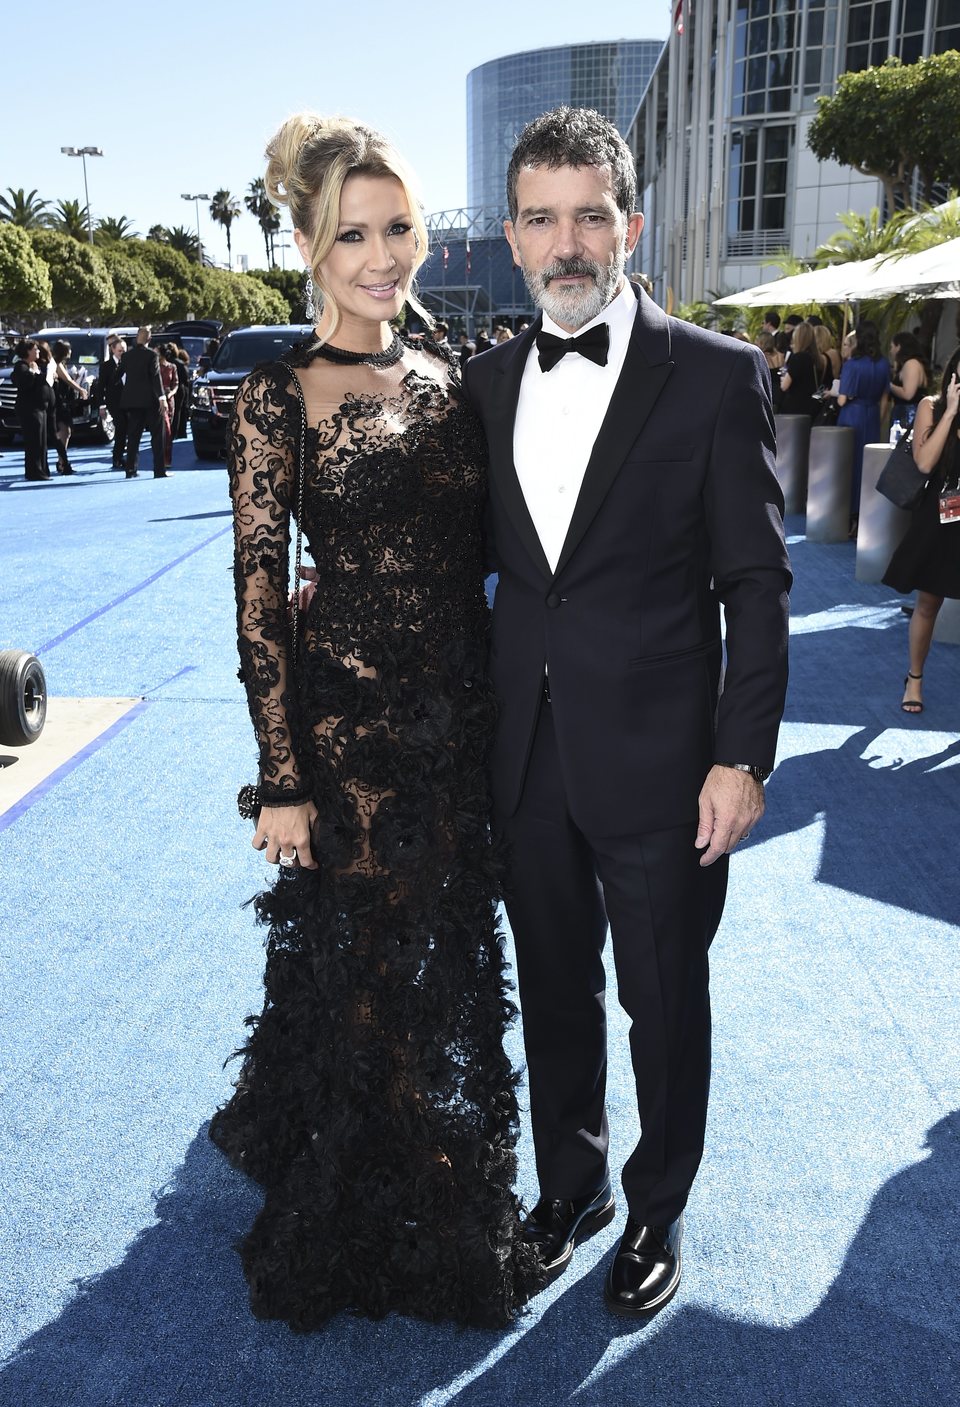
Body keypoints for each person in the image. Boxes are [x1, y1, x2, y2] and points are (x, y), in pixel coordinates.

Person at [208, 111, 545, 1331]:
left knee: (446, 946)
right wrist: (282, 782)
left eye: (399, 227)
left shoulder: (454, 372)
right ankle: (371, 1171)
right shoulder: (278, 393)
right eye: (353, 233)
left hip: (459, 715)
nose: (383, 254)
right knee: (366, 957)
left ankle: (390, 1125)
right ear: (307, 243)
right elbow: (257, 600)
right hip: (347, 725)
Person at [462, 106, 791, 1317]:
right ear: (510, 236)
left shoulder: (714, 373)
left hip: (664, 762)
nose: (568, 242)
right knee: (552, 987)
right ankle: (575, 1186)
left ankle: (657, 1210)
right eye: (542, 218)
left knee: (664, 999)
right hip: (526, 753)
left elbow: (757, 586)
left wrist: (740, 758)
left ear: (630, 223)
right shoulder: (485, 383)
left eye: (590, 214)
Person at [882, 348, 960, 713]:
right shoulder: (932, 405)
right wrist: (952, 412)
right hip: (941, 516)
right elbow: (926, 461)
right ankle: (915, 678)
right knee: (928, 602)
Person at [836, 320, 891, 532]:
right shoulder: (884, 363)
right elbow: (885, 398)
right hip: (872, 417)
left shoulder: (852, 364)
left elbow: (842, 400)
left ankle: (848, 517)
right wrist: (879, 418)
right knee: (869, 468)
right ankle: (865, 518)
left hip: (852, 415)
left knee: (848, 466)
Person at [119, 326, 168, 478]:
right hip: (151, 402)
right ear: (149, 339)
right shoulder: (151, 355)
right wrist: (162, 398)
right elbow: (155, 377)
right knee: (157, 437)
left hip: (133, 402)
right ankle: (159, 470)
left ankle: (130, 469)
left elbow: (117, 376)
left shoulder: (127, 356)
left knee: (133, 437)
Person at [11, 339, 50, 480]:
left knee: (42, 440)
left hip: (40, 407)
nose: (38, 351)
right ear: (28, 351)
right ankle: (34, 471)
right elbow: (24, 383)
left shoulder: (35, 365)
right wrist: (33, 372)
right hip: (29, 409)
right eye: (35, 349)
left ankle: (43, 469)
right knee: (34, 441)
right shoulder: (21, 366)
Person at [51, 339, 89, 475]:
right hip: (58, 402)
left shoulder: (60, 364)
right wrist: (81, 390)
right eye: (69, 349)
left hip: (62, 401)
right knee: (65, 431)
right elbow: (67, 379)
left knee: (65, 432)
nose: (71, 352)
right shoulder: (55, 363)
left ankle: (62, 460)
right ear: (64, 352)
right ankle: (62, 461)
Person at [778, 321, 825, 418]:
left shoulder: (798, 358)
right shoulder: (818, 358)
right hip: (812, 406)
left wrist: (783, 379)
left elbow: (784, 386)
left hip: (795, 408)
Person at [887, 330, 929, 432]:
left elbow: (908, 394)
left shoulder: (911, 364)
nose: (890, 351)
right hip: (904, 413)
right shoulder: (906, 364)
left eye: (892, 347)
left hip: (908, 414)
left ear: (899, 347)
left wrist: (889, 385)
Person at [98, 335, 128, 469]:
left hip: (129, 400)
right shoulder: (106, 366)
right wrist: (102, 405)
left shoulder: (129, 363)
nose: (122, 353)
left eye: (124, 351)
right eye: (120, 351)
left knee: (126, 429)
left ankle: (121, 455)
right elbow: (101, 387)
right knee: (121, 427)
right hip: (114, 402)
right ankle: (117, 457)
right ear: (113, 351)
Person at [156, 343, 178, 467]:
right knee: (162, 429)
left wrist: (171, 394)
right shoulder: (155, 367)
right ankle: (160, 458)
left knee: (168, 430)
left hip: (169, 400)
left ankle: (167, 459)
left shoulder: (172, 367)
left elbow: (176, 384)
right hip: (158, 399)